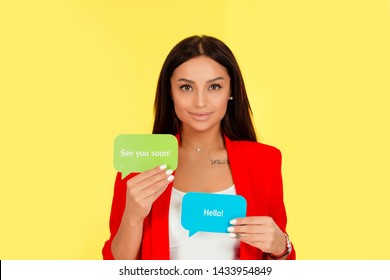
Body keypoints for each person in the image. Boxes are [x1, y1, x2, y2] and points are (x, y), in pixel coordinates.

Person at [102, 35, 296, 260]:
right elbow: (115, 266)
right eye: (186, 87)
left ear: (231, 91)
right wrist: (133, 217)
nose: (200, 102)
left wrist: (281, 246)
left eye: (214, 86)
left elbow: (280, 263)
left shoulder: (264, 161)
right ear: (170, 92)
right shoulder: (140, 161)